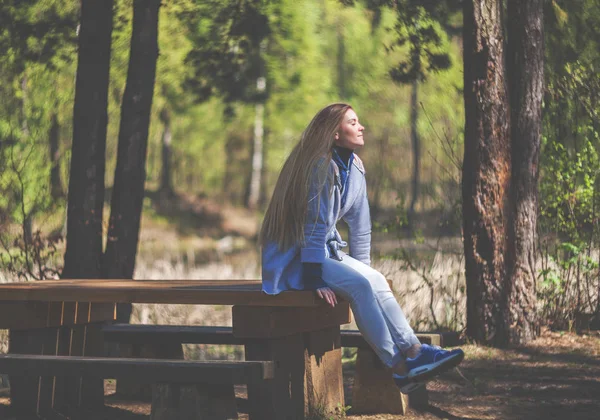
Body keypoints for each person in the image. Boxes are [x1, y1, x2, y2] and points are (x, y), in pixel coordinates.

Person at [259, 103, 463, 393]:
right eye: (353, 122)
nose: (361, 126)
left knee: (374, 279)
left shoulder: (353, 166)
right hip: (296, 258)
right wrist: (314, 279)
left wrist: (365, 268)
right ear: (334, 134)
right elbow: (313, 229)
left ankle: (417, 353)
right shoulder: (321, 167)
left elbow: (360, 225)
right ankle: (399, 368)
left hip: (321, 252)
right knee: (360, 287)